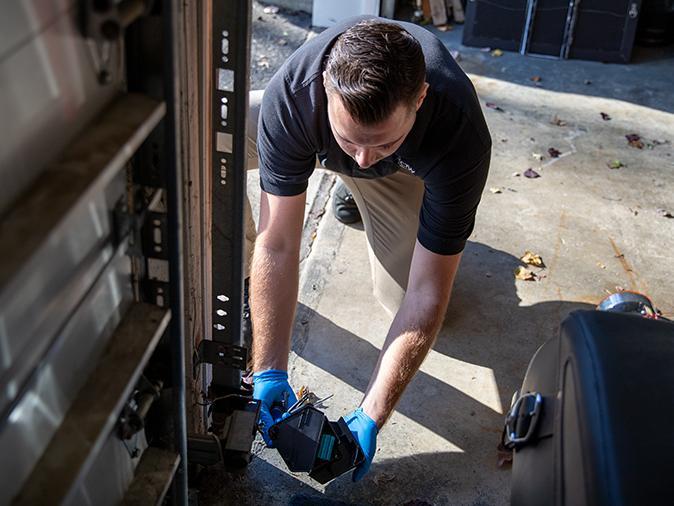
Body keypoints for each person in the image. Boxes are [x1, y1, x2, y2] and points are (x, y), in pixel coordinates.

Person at [247, 16, 491, 482]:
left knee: (406, 301)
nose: (360, 158)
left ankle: (361, 186)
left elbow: (425, 293)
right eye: (350, 142)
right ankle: (340, 171)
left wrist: (371, 414)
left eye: (382, 140)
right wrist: (269, 370)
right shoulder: (294, 97)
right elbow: (278, 244)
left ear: (419, 99)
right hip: (307, 135)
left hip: (401, 172)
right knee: (210, 127)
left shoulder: (460, 135)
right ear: (325, 88)